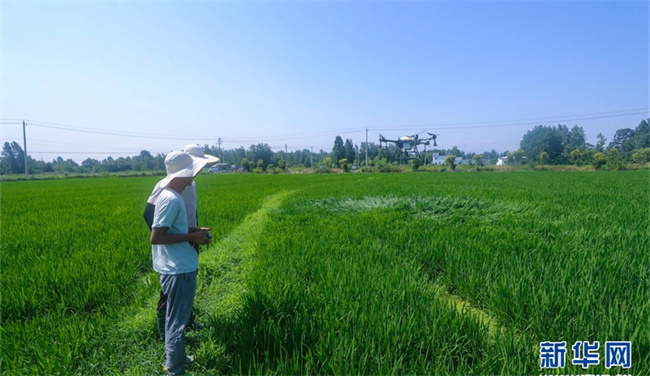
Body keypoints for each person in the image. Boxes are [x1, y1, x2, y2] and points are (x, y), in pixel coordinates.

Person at [144, 145, 218, 341]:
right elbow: (148, 214)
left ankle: (187, 321)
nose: (200, 170)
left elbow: (190, 213)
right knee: (169, 292)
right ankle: (165, 334)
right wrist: (170, 238)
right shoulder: (167, 185)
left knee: (186, 285)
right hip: (177, 243)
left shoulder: (189, 184)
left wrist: (194, 231)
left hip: (188, 237)